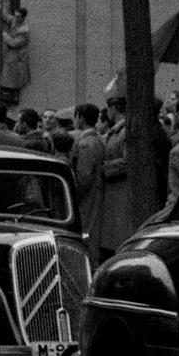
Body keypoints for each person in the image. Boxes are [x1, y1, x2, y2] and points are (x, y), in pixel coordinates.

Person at [70, 103, 107, 253]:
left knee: (86, 232)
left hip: (87, 196)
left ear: (81, 118)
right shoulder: (99, 139)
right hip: (96, 192)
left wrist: (75, 198)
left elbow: (84, 177)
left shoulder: (85, 143)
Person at [100, 95, 131, 255]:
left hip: (120, 191)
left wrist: (104, 168)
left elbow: (128, 161)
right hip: (115, 192)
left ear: (114, 109)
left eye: (109, 109)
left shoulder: (125, 132)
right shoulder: (118, 131)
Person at [0, 3, 30, 103]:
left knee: (12, 73)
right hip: (13, 52)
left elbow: (14, 43)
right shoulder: (15, 20)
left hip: (18, 53)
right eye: (15, 15)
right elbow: (7, 16)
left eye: (18, 17)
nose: (16, 18)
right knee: (9, 72)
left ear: (23, 18)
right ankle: (7, 94)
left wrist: (4, 35)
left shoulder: (24, 30)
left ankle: (10, 96)